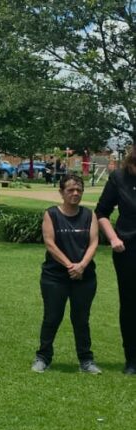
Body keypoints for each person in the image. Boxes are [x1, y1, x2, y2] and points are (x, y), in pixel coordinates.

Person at [32, 175, 100, 374]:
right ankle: (43, 357)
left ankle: (86, 361)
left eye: (78, 189)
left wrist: (82, 266)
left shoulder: (89, 215)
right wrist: (71, 265)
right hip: (55, 277)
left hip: (85, 278)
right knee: (52, 317)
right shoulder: (51, 214)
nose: (75, 193)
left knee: (81, 319)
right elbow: (50, 243)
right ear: (61, 192)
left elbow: (94, 242)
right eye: (70, 190)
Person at [95, 150, 136, 375]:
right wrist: (113, 238)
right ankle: (132, 359)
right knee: (130, 305)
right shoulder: (120, 178)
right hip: (128, 250)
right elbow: (102, 212)